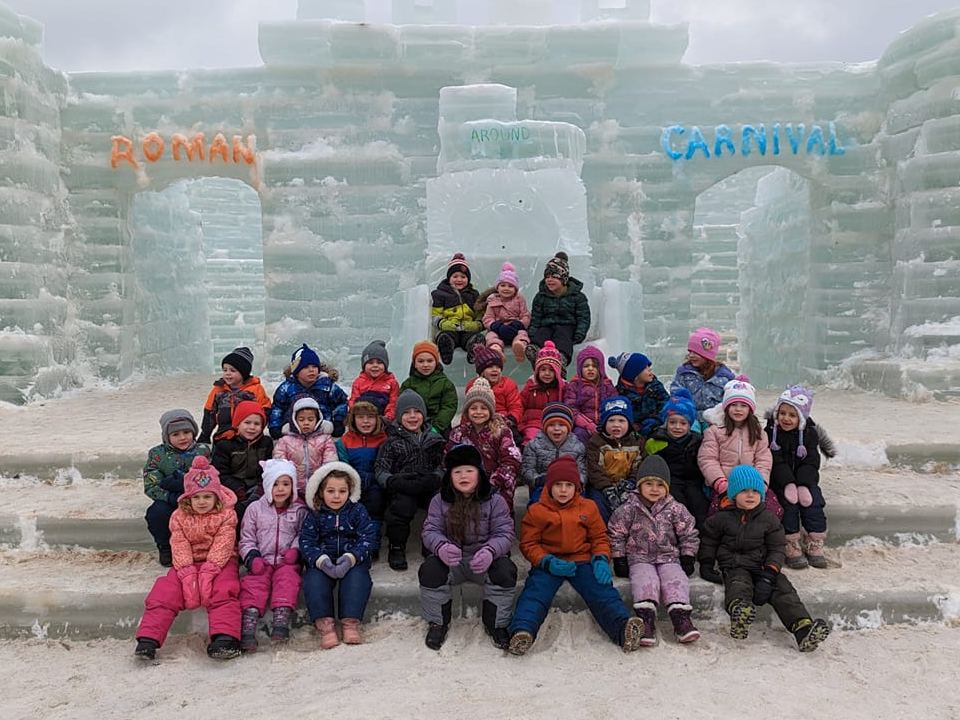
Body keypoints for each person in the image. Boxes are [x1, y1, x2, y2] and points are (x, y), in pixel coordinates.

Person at [507, 456, 644, 655]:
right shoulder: (537, 511)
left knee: (602, 591)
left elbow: (599, 537)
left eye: (569, 485)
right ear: (549, 487)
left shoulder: (588, 507)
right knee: (535, 594)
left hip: (582, 560)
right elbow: (529, 543)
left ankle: (623, 628)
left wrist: (600, 558)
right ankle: (522, 631)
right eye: (558, 485)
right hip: (549, 562)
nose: (563, 490)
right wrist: (545, 560)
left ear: (577, 487)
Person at [698, 465, 831, 652]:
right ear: (733, 494)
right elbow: (709, 541)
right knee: (738, 586)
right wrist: (706, 563)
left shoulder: (769, 519)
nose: (750, 495)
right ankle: (740, 616)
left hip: (763, 567)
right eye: (744, 490)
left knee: (784, 591)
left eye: (755, 490)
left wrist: (770, 573)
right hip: (735, 565)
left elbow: (777, 547)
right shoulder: (721, 518)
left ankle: (803, 629)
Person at [134, 457, 242, 661]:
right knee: (164, 592)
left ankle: (225, 638)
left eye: (207, 497)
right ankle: (148, 639)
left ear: (216, 497)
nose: (202, 502)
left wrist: (211, 569)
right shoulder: (179, 516)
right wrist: (186, 572)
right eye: (197, 497)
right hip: (188, 563)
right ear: (188, 499)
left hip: (220, 562)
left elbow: (224, 542)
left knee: (224, 590)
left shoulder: (227, 515)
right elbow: (179, 543)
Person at [419, 444, 517, 651]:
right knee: (429, 570)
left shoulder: (496, 501)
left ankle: (497, 624)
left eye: (469, 471)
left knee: (506, 571)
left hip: (483, 561)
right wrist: (441, 546)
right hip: (452, 562)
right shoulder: (439, 500)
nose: (463, 476)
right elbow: (430, 531)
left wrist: (490, 551)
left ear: (479, 474)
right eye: (457, 472)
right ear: (450, 476)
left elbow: (505, 533)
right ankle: (437, 623)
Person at [608, 456, 700, 645]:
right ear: (639, 486)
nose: (654, 489)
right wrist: (619, 558)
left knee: (675, 580)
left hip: (669, 557)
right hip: (639, 558)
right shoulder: (629, 509)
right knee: (645, 581)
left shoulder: (675, 508)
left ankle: (681, 618)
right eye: (648, 484)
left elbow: (688, 532)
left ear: (666, 487)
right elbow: (616, 532)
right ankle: (645, 619)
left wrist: (688, 555)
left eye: (659, 485)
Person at [300, 462, 380, 648]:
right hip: (322, 560)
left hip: (351, 559)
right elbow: (306, 541)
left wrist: (352, 557)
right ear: (321, 492)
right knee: (314, 583)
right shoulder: (315, 514)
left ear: (349, 492)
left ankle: (350, 623)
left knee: (358, 580)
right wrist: (321, 560)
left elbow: (368, 537)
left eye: (342, 491)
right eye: (331, 491)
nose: (336, 496)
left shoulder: (357, 511)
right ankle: (326, 626)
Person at [237, 459, 307, 651]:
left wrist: (296, 550)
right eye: (275, 484)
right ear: (267, 486)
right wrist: (251, 557)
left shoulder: (299, 510)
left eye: (286, 484)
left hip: (287, 561)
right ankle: (249, 624)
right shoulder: (255, 509)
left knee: (288, 580)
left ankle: (281, 620)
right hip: (262, 560)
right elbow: (246, 538)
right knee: (253, 585)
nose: (280, 489)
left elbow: (304, 534)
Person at [765, 385, 836, 569]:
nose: (786, 419)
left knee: (813, 502)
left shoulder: (810, 434)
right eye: (783, 413)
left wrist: (803, 483)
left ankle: (814, 541)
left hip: (805, 480)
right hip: (781, 481)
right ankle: (791, 542)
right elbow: (775, 459)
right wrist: (788, 482)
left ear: (801, 418)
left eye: (792, 415)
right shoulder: (771, 433)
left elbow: (812, 460)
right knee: (787, 505)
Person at [374, 389, 445, 571]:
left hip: (427, 483)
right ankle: (396, 547)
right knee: (401, 507)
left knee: (438, 504)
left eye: (417, 412)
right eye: (406, 413)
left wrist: (436, 477)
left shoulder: (434, 438)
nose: (412, 417)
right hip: (403, 485)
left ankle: (431, 543)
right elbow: (381, 469)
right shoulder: (391, 441)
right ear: (399, 416)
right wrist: (393, 482)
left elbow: (441, 464)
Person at [698, 378, 782, 520]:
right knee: (722, 514)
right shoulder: (715, 431)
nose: (738, 409)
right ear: (726, 407)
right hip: (725, 484)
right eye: (733, 405)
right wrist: (720, 482)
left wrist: (760, 483)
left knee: (773, 510)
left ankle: (762, 538)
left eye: (743, 405)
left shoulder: (758, 432)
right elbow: (707, 459)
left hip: (752, 485)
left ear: (750, 408)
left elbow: (763, 459)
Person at [143, 409, 211, 567]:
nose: (182, 438)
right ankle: (166, 547)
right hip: (171, 498)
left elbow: (213, 477)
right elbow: (151, 485)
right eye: (175, 434)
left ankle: (205, 546)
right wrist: (171, 497)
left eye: (186, 432)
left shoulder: (204, 450)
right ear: (167, 437)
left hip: (200, 497)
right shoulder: (157, 454)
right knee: (156, 513)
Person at [446, 378, 522, 511]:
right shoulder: (459, 433)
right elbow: (449, 459)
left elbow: (512, 461)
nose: (478, 412)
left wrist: (492, 483)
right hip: (466, 483)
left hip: (496, 485)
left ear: (491, 410)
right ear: (467, 411)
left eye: (484, 408)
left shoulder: (501, 431)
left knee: (500, 507)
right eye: (473, 408)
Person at [644, 388, 709, 530]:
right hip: (669, 482)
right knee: (676, 506)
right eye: (672, 422)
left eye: (683, 423)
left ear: (690, 424)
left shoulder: (697, 441)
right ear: (666, 423)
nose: (677, 427)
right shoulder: (656, 442)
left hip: (693, 482)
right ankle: (676, 536)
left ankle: (701, 538)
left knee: (700, 506)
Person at [212, 400, 274, 525]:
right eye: (247, 422)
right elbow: (219, 473)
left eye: (257, 424)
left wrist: (261, 486)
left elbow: (269, 469)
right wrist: (237, 488)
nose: (252, 427)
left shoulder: (266, 443)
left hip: (256, 486)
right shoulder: (225, 444)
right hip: (232, 487)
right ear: (237, 424)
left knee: (261, 507)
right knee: (237, 511)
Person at [585, 396, 645, 523]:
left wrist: (631, 483)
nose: (616, 425)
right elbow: (594, 468)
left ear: (629, 423)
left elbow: (640, 464)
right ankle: (604, 535)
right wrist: (607, 488)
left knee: (636, 506)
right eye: (611, 420)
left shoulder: (637, 441)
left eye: (621, 421)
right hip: (602, 486)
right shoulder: (596, 442)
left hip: (629, 485)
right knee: (598, 507)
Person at [526, 251, 590, 368]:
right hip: (547, 325)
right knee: (542, 333)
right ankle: (535, 350)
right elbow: (536, 317)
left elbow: (583, 317)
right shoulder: (541, 296)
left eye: (554, 277)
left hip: (568, 326)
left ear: (564, 279)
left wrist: (579, 334)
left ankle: (562, 357)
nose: (549, 280)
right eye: (547, 277)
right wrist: (532, 333)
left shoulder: (577, 297)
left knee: (563, 336)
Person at [269, 343, 348, 439]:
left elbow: (341, 402)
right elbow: (277, 408)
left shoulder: (327, 385)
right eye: (306, 367)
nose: (311, 370)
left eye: (314, 367)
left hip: (323, 430)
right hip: (294, 431)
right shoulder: (286, 388)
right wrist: (275, 426)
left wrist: (338, 421)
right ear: (296, 372)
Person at [198, 346, 272, 444]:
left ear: (244, 373)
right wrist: (205, 435)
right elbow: (209, 413)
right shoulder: (218, 390)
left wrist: (256, 431)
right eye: (225, 370)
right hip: (223, 436)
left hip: (248, 436)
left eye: (232, 370)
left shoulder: (256, 389)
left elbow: (264, 412)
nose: (228, 374)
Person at [336, 400, 389, 535]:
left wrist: (372, 478)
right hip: (353, 481)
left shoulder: (384, 439)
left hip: (375, 482)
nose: (366, 421)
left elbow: (385, 464)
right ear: (353, 420)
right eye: (360, 417)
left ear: (377, 419)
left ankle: (372, 539)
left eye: (370, 417)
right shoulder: (344, 441)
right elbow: (343, 465)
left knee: (375, 502)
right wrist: (355, 480)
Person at [271, 396, 337, 500]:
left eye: (310, 419)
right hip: (293, 488)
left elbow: (330, 462)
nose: (306, 422)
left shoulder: (325, 439)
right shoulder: (285, 440)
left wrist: (322, 481)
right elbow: (279, 464)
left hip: (318, 487)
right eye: (301, 419)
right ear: (294, 420)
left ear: (318, 419)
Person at [520, 402, 586, 505]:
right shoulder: (534, 445)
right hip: (543, 487)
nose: (556, 428)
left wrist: (576, 482)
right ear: (544, 427)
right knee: (537, 506)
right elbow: (527, 471)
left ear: (569, 427)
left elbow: (582, 472)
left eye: (561, 424)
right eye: (551, 425)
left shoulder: (578, 446)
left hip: (569, 487)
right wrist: (539, 480)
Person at [671, 327, 736, 425]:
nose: (691, 355)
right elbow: (676, 394)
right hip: (690, 419)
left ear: (707, 355)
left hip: (715, 420)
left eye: (696, 352)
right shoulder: (684, 373)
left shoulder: (724, 377)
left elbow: (729, 400)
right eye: (690, 352)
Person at [431, 252, 484, 365]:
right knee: (446, 336)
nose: (459, 280)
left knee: (474, 337)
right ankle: (446, 349)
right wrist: (442, 323)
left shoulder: (473, 294)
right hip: (450, 327)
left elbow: (480, 312)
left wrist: (478, 324)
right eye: (455, 276)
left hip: (467, 328)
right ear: (449, 278)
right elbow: (435, 314)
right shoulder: (440, 294)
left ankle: (473, 349)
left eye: (463, 277)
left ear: (468, 279)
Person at [399, 340, 458, 435]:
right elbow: (401, 405)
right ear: (415, 364)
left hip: (439, 429)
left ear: (436, 362)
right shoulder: (408, 384)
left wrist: (437, 427)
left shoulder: (445, 383)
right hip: (413, 426)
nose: (425, 365)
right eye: (421, 361)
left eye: (430, 361)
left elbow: (449, 407)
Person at [563, 345, 617, 445]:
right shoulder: (574, 385)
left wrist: (607, 423)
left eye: (594, 366)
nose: (590, 369)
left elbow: (615, 406)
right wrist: (588, 425)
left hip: (604, 424)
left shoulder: (607, 385)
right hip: (583, 426)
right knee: (578, 435)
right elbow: (572, 409)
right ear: (580, 368)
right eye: (586, 366)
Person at [479, 261, 531, 362]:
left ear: (515, 289)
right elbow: (487, 318)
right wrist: (496, 326)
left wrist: (518, 324)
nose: (506, 289)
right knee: (490, 336)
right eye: (503, 285)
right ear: (497, 287)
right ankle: (496, 349)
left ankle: (519, 346)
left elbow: (525, 315)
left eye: (510, 286)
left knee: (522, 334)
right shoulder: (492, 300)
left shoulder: (519, 299)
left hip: (514, 328)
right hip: (498, 329)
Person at [608, 352, 668, 437]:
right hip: (633, 432)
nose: (650, 370)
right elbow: (620, 415)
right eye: (645, 368)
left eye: (649, 367)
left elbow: (666, 405)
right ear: (635, 375)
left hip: (657, 427)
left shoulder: (656, 386)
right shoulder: (620, 393)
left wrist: (656, 420)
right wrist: (634, 426)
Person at [518, 342, 566, 444]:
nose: (547, 373)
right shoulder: (531, 386)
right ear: (537, 371)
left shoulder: (563, 388)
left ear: (557, 372)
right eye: (543, 370)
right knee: (532, 440)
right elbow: (520, 404)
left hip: (555, 424)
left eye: (551, 370)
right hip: (532, 423)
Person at [467, 345, 523, 431]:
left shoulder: (508, 384)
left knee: (514, 438)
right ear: (481, 371)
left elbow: (516, 407)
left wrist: (510, 420)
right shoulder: (473, 386)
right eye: (490, 367)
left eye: (498, 367)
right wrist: (465, 424)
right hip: (479, 420)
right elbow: (468, 408)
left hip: (503, 422)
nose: (495, 370)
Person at [349, 340, 400, 420]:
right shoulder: (358, 382)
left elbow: (393, 402)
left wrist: (388, 417)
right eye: (370, 362)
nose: (375, 366)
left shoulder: (392, 383)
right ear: (364, 365)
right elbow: (353, 400)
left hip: (383, 420)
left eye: (379, 362)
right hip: (363, 419)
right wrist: (355, 416)